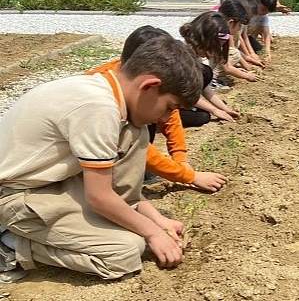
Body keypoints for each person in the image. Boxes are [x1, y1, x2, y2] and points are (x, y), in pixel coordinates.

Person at [0, 36, 202, 282]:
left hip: (52, 184)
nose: (166, 117)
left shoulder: (115, 100)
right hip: (15, 195)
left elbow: (117, 190)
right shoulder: (98, 107)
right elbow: (99, 197)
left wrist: (156, 220)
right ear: (149, 86)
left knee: (136, 134)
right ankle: (10, 244)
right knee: (124, 251)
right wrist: (152, 233)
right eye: (170, 107)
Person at [88, 25, 229, 192]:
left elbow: (172, 119)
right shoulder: (105, 103)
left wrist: (180, 158)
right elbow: (137, 144)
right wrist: (188, 176)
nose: (165, 116)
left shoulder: (134, 88)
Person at [180, 11, 260, 86]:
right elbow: (227, 67)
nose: (239, 28)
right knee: (233, 54)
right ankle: (214, 79)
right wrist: (247, 75)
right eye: (239, 25)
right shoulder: (186, 58)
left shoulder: (201, 45)